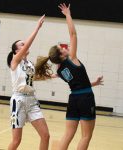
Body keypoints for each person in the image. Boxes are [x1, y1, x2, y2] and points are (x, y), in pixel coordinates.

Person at [34, 4, 104, 150]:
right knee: (86, 136)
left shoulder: (60, 70)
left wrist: (94, 83)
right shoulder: (72, 58)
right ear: (61, 55)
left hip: (74, 99)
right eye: (61, 49)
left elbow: (79, 84)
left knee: (68, 134)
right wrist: (67, 14)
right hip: (85, 98)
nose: (64, 48)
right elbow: (73, 34)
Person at [7, 15, 50, 150]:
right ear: (16, 51)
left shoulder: (30, 64)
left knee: (45, 135)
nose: (25, 45)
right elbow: (28, 45)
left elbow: (32, 79)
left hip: (31, 101)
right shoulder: (15, 61)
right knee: (16, 141)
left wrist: (55, 75)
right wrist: (37, 27)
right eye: (22, 44)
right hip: (18, 101)